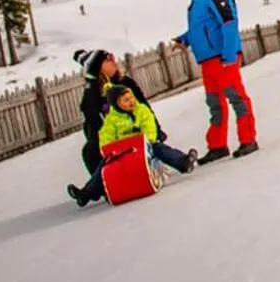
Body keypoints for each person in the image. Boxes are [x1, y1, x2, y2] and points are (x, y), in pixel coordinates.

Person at [170, 0, 258, 161]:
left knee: (236, 97)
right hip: (208, 60)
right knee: (214, 102)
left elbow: (228, 22)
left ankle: (248, 139)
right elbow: (201, 27)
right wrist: (184, 39)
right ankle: (217, 145)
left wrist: (228, 55)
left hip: (221, 58)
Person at [67, 85, 198, 207]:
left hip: (144, 146)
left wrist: (148, 138)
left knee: (160, 149)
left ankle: (183, 162)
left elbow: (149, 125)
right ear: (117, 104)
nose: (131, 102)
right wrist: (109, 148)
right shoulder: (112, 120)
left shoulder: (141, 110)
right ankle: (86, 193)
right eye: (125, 100)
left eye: (131, 98)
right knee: (103, 167)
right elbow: (105, 135)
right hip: (123, 152)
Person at [73, 49, 160, 175]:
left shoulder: (126, 83)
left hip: (136, 135)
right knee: (89, 150)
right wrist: (91, 85)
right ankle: (102, 185)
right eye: (108, 59)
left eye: (113, 56)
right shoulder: (92, 94)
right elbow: (93, 129)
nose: (114, 61)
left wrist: (156, 133)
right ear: (98, 68)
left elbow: (146, 111)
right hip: (112, 142)